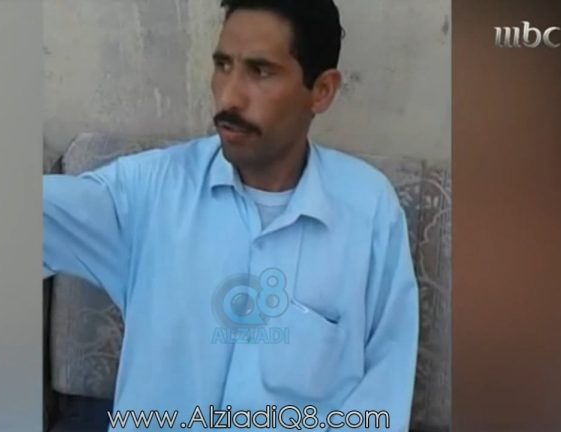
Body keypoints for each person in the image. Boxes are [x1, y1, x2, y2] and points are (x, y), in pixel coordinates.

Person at [43, 0, 419, 430]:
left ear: (322, 90)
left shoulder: (368, 211)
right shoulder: (149, 192)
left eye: (260, 71)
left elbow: (383, 398)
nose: (228, 96)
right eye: (223, 66)